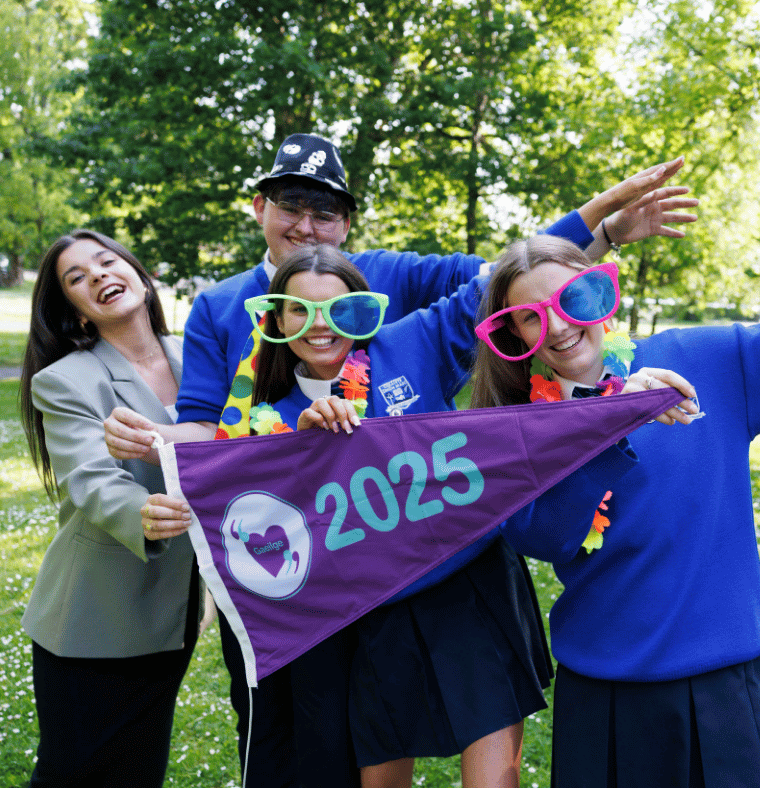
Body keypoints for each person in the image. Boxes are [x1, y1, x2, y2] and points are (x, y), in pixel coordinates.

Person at [103, 132, 698, 788]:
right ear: (271, 318)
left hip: (458, 574)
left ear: (364, 294)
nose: (320, 323)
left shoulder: (411, 327)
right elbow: (220, 442)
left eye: (325, 212)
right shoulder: (249, 362)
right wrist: (163, 445)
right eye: (297, 311)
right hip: (347, 593)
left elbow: (505, 282)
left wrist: (599, 227)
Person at [470, 234, 760, 787]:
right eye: (531, 316)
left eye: (570, 298)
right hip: (604, 701)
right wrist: (612, 421)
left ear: (598, 292)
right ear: (513, 334)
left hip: (727, 693)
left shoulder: (707, 360)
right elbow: (544, 538)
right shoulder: (519, 426)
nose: (557, 325)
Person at [18, 230, 200, 788]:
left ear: (140, 275)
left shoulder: (197, 355)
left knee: (139, 770)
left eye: (105, 260)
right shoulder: (65, 381)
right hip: (94, 616)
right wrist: (143, 511)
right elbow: (89, 477)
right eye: (77, 277)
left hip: (172, 613)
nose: (97, 274)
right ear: (76, 311)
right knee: (73, 774)